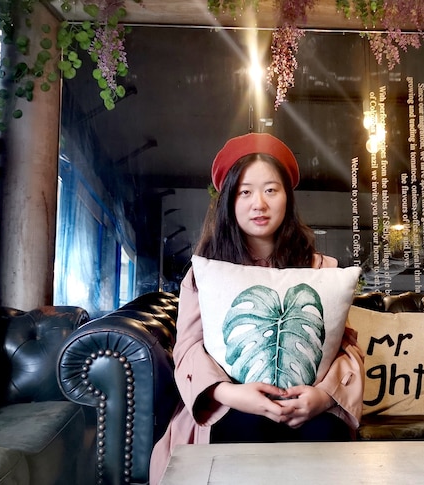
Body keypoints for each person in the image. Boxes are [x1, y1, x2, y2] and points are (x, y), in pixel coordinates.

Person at [149, 133, 365, 484]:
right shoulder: (205, 271)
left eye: (270, 190)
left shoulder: (322, 269)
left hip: (305, 404)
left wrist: (323, 397)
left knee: (325, 432)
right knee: (243, 426)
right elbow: (188, 349)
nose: (258, 204)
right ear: (228, 201)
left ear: (287, 198)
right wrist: (229, 393)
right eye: (245, 192)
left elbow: (345, 347)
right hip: (230, 403)